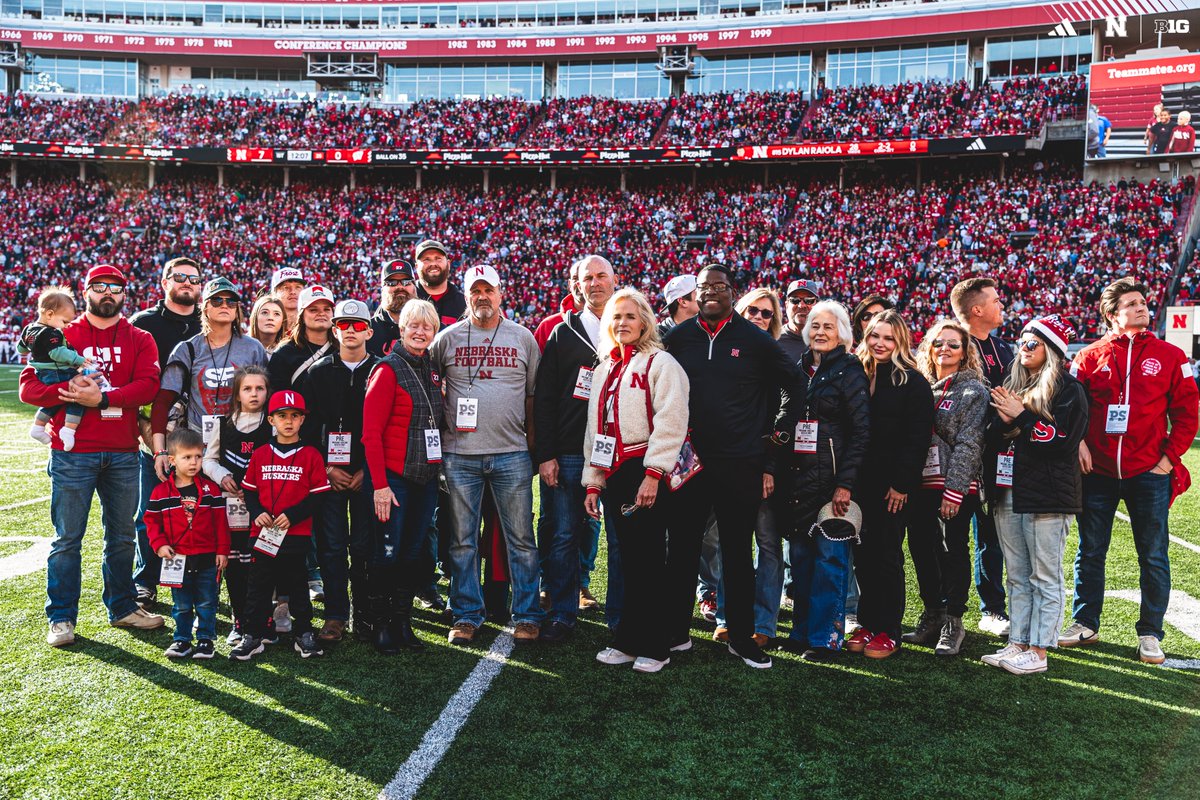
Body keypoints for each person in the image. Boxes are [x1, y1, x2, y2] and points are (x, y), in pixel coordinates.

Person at [663, 263, 800, 670]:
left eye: (719, 287)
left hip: (740, 462)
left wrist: (777, 434)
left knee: (738, 551)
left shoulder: (754, 339)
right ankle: (675, 631)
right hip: (687, 461)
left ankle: (741, 637)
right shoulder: (679, 337)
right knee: (683, 548)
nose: (711, 294)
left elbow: (794, 383)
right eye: (704, 288)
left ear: (731, 292)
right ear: (695, 293)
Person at [20, 264, 164, 647]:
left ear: (124, 293)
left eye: (115, 287)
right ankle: (61, 617)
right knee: (67, 538)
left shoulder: (140, 337)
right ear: (86, 291)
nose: (107, 293)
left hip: (122, 451)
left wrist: (103, 398)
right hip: (72, 452)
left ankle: (123, 607)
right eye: (99, 287)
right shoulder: (61, 332)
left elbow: (148, 387)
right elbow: (29, 389)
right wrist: (68, 390)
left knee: (121, 538)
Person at [1061, 279, 1199, 664]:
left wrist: (1168, 461)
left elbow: (1187, 415)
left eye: (1143, 302)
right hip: (1098, 472)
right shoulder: (1089, 356)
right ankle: (1085, 622)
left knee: (1153, 554)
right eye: (1132, 304)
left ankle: (1151, 632)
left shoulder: (1171, 356)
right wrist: (1080, 443)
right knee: (1090, 551)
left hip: (1148, 472)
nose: (1142, 308)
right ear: (1111, 314)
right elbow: (1072, 408)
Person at [429, 264, 544, 646]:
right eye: (475, 290)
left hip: (512, 453)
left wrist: (533, 446)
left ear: (500, 293)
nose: (482, 297)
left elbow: (532, 397)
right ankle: (466, 613)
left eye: (488, 290)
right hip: (461, 455)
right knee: (462, 540)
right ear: (466, 295)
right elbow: (429, 389)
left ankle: (526, 613)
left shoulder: (523, 338)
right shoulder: (446, 339)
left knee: (521, 538)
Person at [585, 289, 690, 673]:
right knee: (627, 560)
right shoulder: (603, 368)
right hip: (614, 472)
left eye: (630, 316)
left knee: (649, 560)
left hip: (645, 470)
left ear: (645, 321)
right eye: (616, 317)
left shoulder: (661, 363)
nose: (622, 323)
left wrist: (653, 474)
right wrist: (593, 481)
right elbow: (595, 430)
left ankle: (657, 644)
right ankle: (629, 638)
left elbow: (672, 420)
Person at [983, 315, 1088, 675]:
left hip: (1048, 494)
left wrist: (1021, 416)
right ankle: (1018, 642)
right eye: (1021, 343)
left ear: (1052, 351)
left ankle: (1040, 651)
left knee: (1045, 575)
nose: (1023, 349)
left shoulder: (1069, 390)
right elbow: (991, 436)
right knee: (1016, 573)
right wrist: (1005, 418)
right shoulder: (1011, 386)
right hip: (1009, 490)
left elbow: (1060, 443)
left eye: (1032, 343)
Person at [777, 300, 870, 661]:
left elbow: (862, 433)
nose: (820, 332)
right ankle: (800, 633)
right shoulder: (798, 370)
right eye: (815, 325)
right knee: (799, 563)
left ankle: (825, 639)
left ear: (842, 333)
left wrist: (845, 483)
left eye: (828, 326)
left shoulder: (850, 371)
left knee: (830, 564)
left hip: (832, 485)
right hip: (797, 482)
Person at [534, 254, 617, 643]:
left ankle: (621, 614)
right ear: (577, 285)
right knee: (565, 533)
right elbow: (545, 398)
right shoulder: (561, 333)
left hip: (617, 451)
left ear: (615, 282)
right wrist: (546, 454)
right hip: (569, 449)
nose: (596, 282)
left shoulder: (628, 327)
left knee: (617, 534)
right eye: (589, 277)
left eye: (603, 276)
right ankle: (564, 612)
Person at [847, 310, 933, 659]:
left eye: (888, 337)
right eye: (874, 336)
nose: (880, 343)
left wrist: (901, 484)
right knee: (862, 557)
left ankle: (889, 629)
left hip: (891, 487)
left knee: (886, 556)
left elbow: (917, 440)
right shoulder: (857, 373)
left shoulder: (912, 381)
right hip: (857, 483)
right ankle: (867, 623)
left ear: (900, 341)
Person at [362, 300, 444, 654]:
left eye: (427, 326)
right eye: (414, 325)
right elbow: (370, 434)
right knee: (388, 552)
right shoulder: (387, 370)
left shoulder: (432, 369)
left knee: (412, 553)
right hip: (393, 479)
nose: (420, 332)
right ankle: (380, 623)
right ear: (401, 328)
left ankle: (402, 620)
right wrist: (379, 485)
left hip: (424, 479)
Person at [903, 319, 988, 657]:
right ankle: (932, 613)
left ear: (965, 351)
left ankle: (954, 618)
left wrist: (954, 491)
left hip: (954, 487)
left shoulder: (973, 391)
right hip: (920, 484)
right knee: (922, 548)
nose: (945, 349)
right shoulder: (923, 386)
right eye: (939, 343)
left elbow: (970, 443)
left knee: (952, 550)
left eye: (953, 344)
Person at [231, 390, 332, 661]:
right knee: (258, 584)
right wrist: (257, 512)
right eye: (282, 416)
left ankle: (303, 633)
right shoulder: (262, 453)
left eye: (295, 416)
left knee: (297, 583)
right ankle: (253, 634)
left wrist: (294, 514)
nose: (289, 421)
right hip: (263, 532)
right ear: (271, 420)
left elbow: (320, 493)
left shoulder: (311, 454)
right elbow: (249, 490)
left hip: (295, 532)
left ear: (302, 421)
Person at [303, 299, 379, 644]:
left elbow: (388, 425)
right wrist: (328, 465)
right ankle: (336, 614)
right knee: (332, 546)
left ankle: (364, 612)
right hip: (328, 473)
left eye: (358, 325)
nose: (351, 330)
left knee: (364, 546)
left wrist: (368, 468)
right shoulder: (317, 372)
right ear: (334, 330)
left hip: (368, 472)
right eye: (344, 324)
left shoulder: (381, 370)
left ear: (369, 330)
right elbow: (307, 427)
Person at [130, 256, 203, 605]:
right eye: (179, 277)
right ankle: (145, 579)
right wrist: (147, 433)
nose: (187, 283)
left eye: (193, 278)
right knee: (150, 512)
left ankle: (196, 581)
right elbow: (129, 384)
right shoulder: (143, 324)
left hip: (202, 437)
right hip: (154, 435)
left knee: (197, 511)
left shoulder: (211, 323)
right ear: (164, 282)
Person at [150, 277, 268, 482]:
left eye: (231, 302)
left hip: (243, 442)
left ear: (237, 309)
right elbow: (163, 400)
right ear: (204, 308)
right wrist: (160, 451)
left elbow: (266, 400)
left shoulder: (253, 348)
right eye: (217, 301)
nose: (224, 305)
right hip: (197, 444)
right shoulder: (188, 349)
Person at [950, 276, 1013, 636]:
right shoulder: (951, 345)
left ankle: (992, 608)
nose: (1001, 305)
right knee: (951, 538)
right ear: (977, 309)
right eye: (995, 300)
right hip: (956, 460)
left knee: (993, 535)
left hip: (997, 458)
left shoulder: (1005, 349)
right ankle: (946, 610)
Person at [202, 365, 272, 645]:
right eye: (247, 389)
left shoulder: (274, 424)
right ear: (237, 393)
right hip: (231, 505)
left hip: (265, 508)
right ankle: (239, 618)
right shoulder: (223, 423)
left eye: (260, 388)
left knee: (262, 561)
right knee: (235, 563)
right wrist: (224, 476)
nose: (254, 394)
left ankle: (263, 617)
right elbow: (209, 460)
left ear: (267, 392)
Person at [147, 428, 229, 660]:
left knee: (207, 602)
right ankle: (181, 640)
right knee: (181, 605)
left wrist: (222, 550)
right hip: (177, 559)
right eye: (187, 457)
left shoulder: (211, 490)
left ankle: (206, 640)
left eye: (198, 457)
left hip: (206, 559)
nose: (194, 462)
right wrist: (160, 545)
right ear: (172, 460)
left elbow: (221, 523)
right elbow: (151, 522)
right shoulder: (161, 492)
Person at [20, 287, 93, 449]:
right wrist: (79, 360)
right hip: (56, 370)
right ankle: (68, 430)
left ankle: (38, 427)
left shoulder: (28, 329)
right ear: (49, 314)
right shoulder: (51, 332)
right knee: (77, 396)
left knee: (53, 401)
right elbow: (57, 353)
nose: (66, 326)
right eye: (65, 321)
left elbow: (21, 349)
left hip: (41, 372)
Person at [268, 285, 336, 395]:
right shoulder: (284, 354)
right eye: (313, 310)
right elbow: (277, 398)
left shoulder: (343, 350)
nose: (321, 313)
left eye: (326, 309)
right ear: (301, 316)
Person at [367, 259, 419, 357]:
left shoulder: (429, 327)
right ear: (382, 289)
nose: (400, 287)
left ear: (414, 287)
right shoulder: (367, 331)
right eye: (392, 282)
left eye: (406, 282)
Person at [414, 240, 467, 328]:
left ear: (448, 264)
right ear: (416, 267)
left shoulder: (464, 304)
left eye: (438, 259)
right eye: (426, 260)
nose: (433, 264)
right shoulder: (407, 300)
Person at [656, 274, 698, 338]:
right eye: (698, 292)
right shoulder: (656, 337)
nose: (704, 295)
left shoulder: (705, 330)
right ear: (683, 302)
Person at [270, 267, 306, 333]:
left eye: (298, 287)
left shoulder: (312, 326)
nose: (293, 292)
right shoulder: (265, 327)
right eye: (286, 288)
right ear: (274, 293)